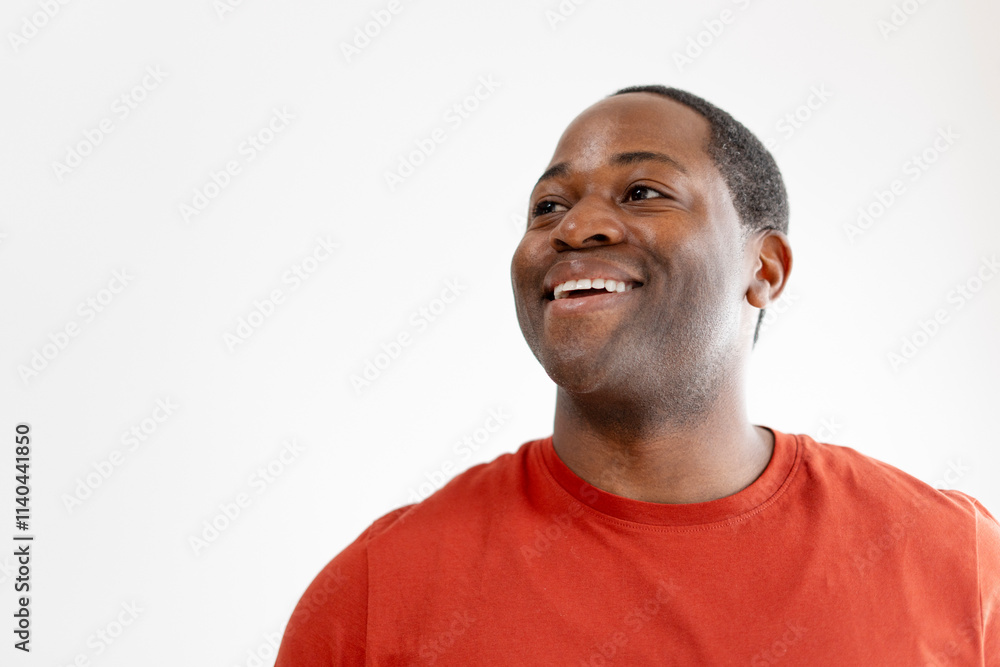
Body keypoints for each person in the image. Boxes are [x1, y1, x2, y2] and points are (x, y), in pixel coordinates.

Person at [275, 85, 1000, 665]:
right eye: (548, 207)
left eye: (644, 192)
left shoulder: (956, 564)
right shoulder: (378, 593)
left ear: (765, 268)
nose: (574, 227)